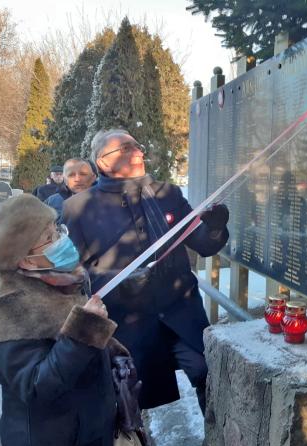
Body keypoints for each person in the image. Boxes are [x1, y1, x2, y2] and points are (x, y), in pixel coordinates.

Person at [62, 129, 229, 413]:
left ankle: (215, 438)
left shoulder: (168, 194)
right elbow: (72, 273)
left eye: (137, 146)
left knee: (206, 372)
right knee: (131, 398)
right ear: (103, 162)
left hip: (181, 313)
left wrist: (215, 227)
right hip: (129, 326)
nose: (138, 152)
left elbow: (203, 244)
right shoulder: (77, 208)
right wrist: (118, 280)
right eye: (126, 149)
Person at [0, 194, 128, 446]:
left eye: (58, 230)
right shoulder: (8, 308)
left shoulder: (59, 282)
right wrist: (85, 328)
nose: (61, 241)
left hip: (89, 432)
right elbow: (36, 386)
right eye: (49, 239)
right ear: (25, 260)